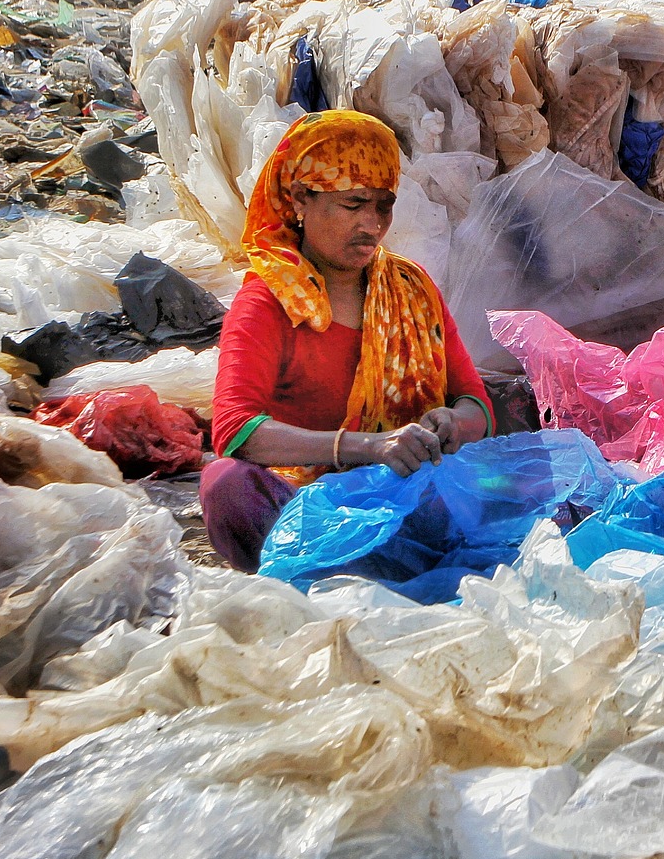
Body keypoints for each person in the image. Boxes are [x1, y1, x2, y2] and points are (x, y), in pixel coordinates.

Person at [201, 109, 494, 572]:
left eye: (384, 205)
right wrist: (365, 447)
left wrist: (453, 423)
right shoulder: (269, 302)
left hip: (404, 497)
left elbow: (475, 402)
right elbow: (235, 431)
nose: (373, 224)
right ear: (300, 198)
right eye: (354, 204)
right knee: (227, 485)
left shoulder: (410, 289)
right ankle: (318, 574)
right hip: (310, 509)